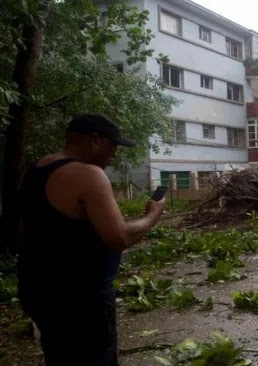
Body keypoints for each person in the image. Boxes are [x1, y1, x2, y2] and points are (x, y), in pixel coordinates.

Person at [17, 113, 165, 366]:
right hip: (81, 297)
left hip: (37, 289)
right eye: (113, 145)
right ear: (95, 141)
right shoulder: (88, 175)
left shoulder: (36, 169)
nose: (115, 154)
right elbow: (119, 237)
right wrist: (153, 216)